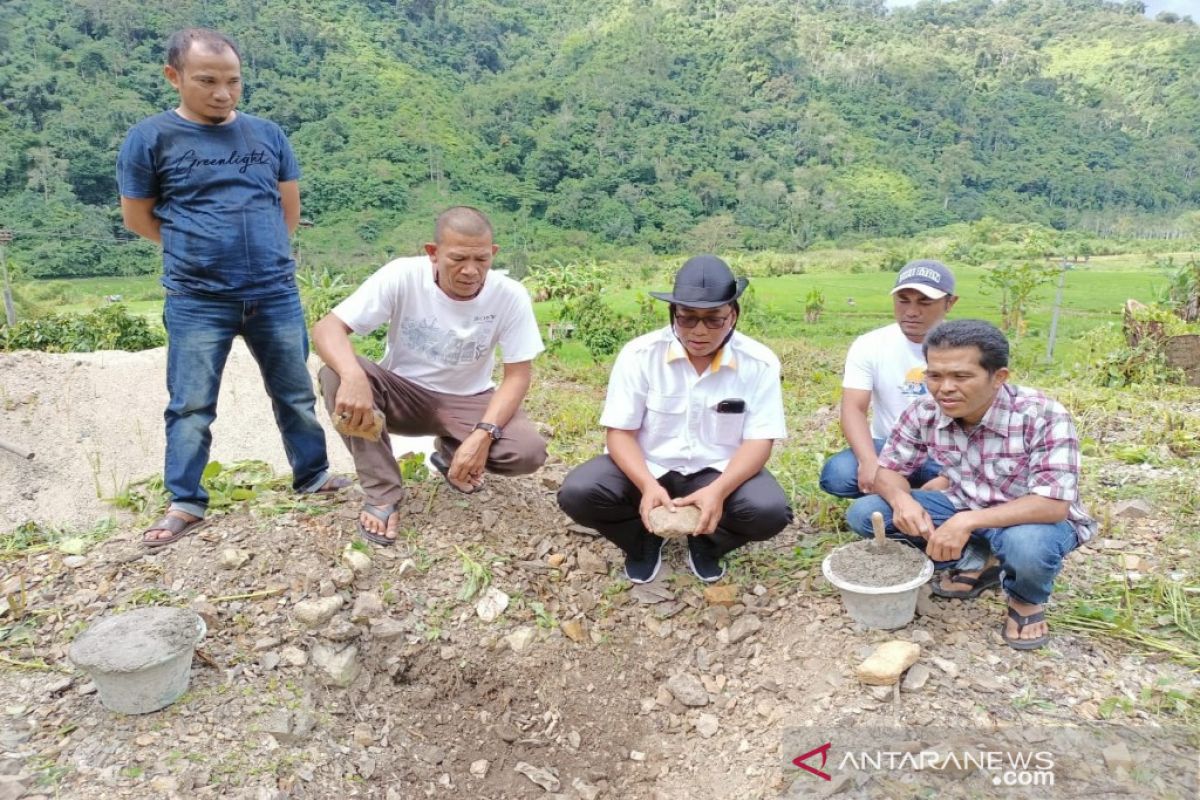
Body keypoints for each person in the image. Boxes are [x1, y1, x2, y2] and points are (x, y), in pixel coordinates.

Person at [117, 28, 346, 548]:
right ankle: (186, 500)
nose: (222, 92)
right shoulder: (150, 138)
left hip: (274, 292)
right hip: (196, 297)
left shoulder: (268, 134)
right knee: (191, 404)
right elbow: (138, 218)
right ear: (174, 77)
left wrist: (261, 254)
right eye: (207, 81)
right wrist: (195, 248)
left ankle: (312, 476)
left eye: (232, 81)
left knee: (294, 393)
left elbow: (288, 209)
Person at [846, 320, 1096, 650]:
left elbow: (1052, 505)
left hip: (1028, 519)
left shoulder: (1043, 415)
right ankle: (976, 557)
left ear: (999, 378)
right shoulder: (924, 412)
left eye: (961, 376)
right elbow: (888, 471)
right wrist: (901, 499)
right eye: (934, 375)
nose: (944, 388)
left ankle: (1025, 599)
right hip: (963, 501)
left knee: (1028, 547)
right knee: (867, 512)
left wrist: (965, 521)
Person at [311, 206, 547, 546]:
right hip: (403, 396)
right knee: (336, 375)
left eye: (481, 260)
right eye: (458, 259)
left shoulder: (509, 295)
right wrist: (352, 374)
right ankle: (382, 493)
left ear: (493, 253)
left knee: (527, 451)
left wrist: (483, 435)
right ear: (433, 253)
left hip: (470, 400)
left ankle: (454, 453)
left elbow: (517, 376)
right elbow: (328, 328)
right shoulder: (402, 275)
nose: (470, 271)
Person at [556, 255, 793, 584]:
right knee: (578, 492)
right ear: (673, 315)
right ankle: (642, 541)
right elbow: (620, 434)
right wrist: (647, 486)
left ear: (733, 316)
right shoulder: (640, 355)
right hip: (649, 466)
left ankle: (707, 544)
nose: (699, 331)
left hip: (716, 471)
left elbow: (759, 441)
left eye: (713, 320)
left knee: (770, 511)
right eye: (687, 319)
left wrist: (719, 491)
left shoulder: (759, 362)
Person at [819, 259, 959, 499]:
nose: (912, 311)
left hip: (952, 453)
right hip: (891, 447)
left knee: (963, 481)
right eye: (903, 300)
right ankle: (912, 494)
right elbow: (853, 407)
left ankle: (911, 495)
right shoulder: (870, 345)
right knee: (838, 474)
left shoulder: (968, 348)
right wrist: (868, 461)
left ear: (950, 303)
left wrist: (952, 476)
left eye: (925, 302)